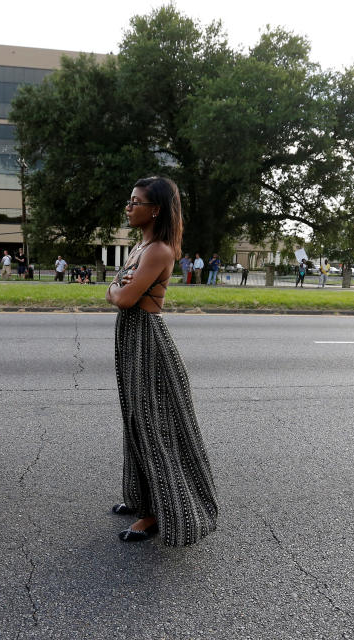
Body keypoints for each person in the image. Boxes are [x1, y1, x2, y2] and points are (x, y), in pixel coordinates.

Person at [106, 176, 218, 546]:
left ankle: (157, 512)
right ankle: (142, 497)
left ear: (155, 209)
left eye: (136, 201)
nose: (129, 207)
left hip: (147, 341)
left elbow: (122, 297)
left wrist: (115, 288)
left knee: (154, 426)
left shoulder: (158, 251)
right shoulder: (142, 246)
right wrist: (118, 288)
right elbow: (121, 291)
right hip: (131, 337)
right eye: (129, 200)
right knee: (135, 420)